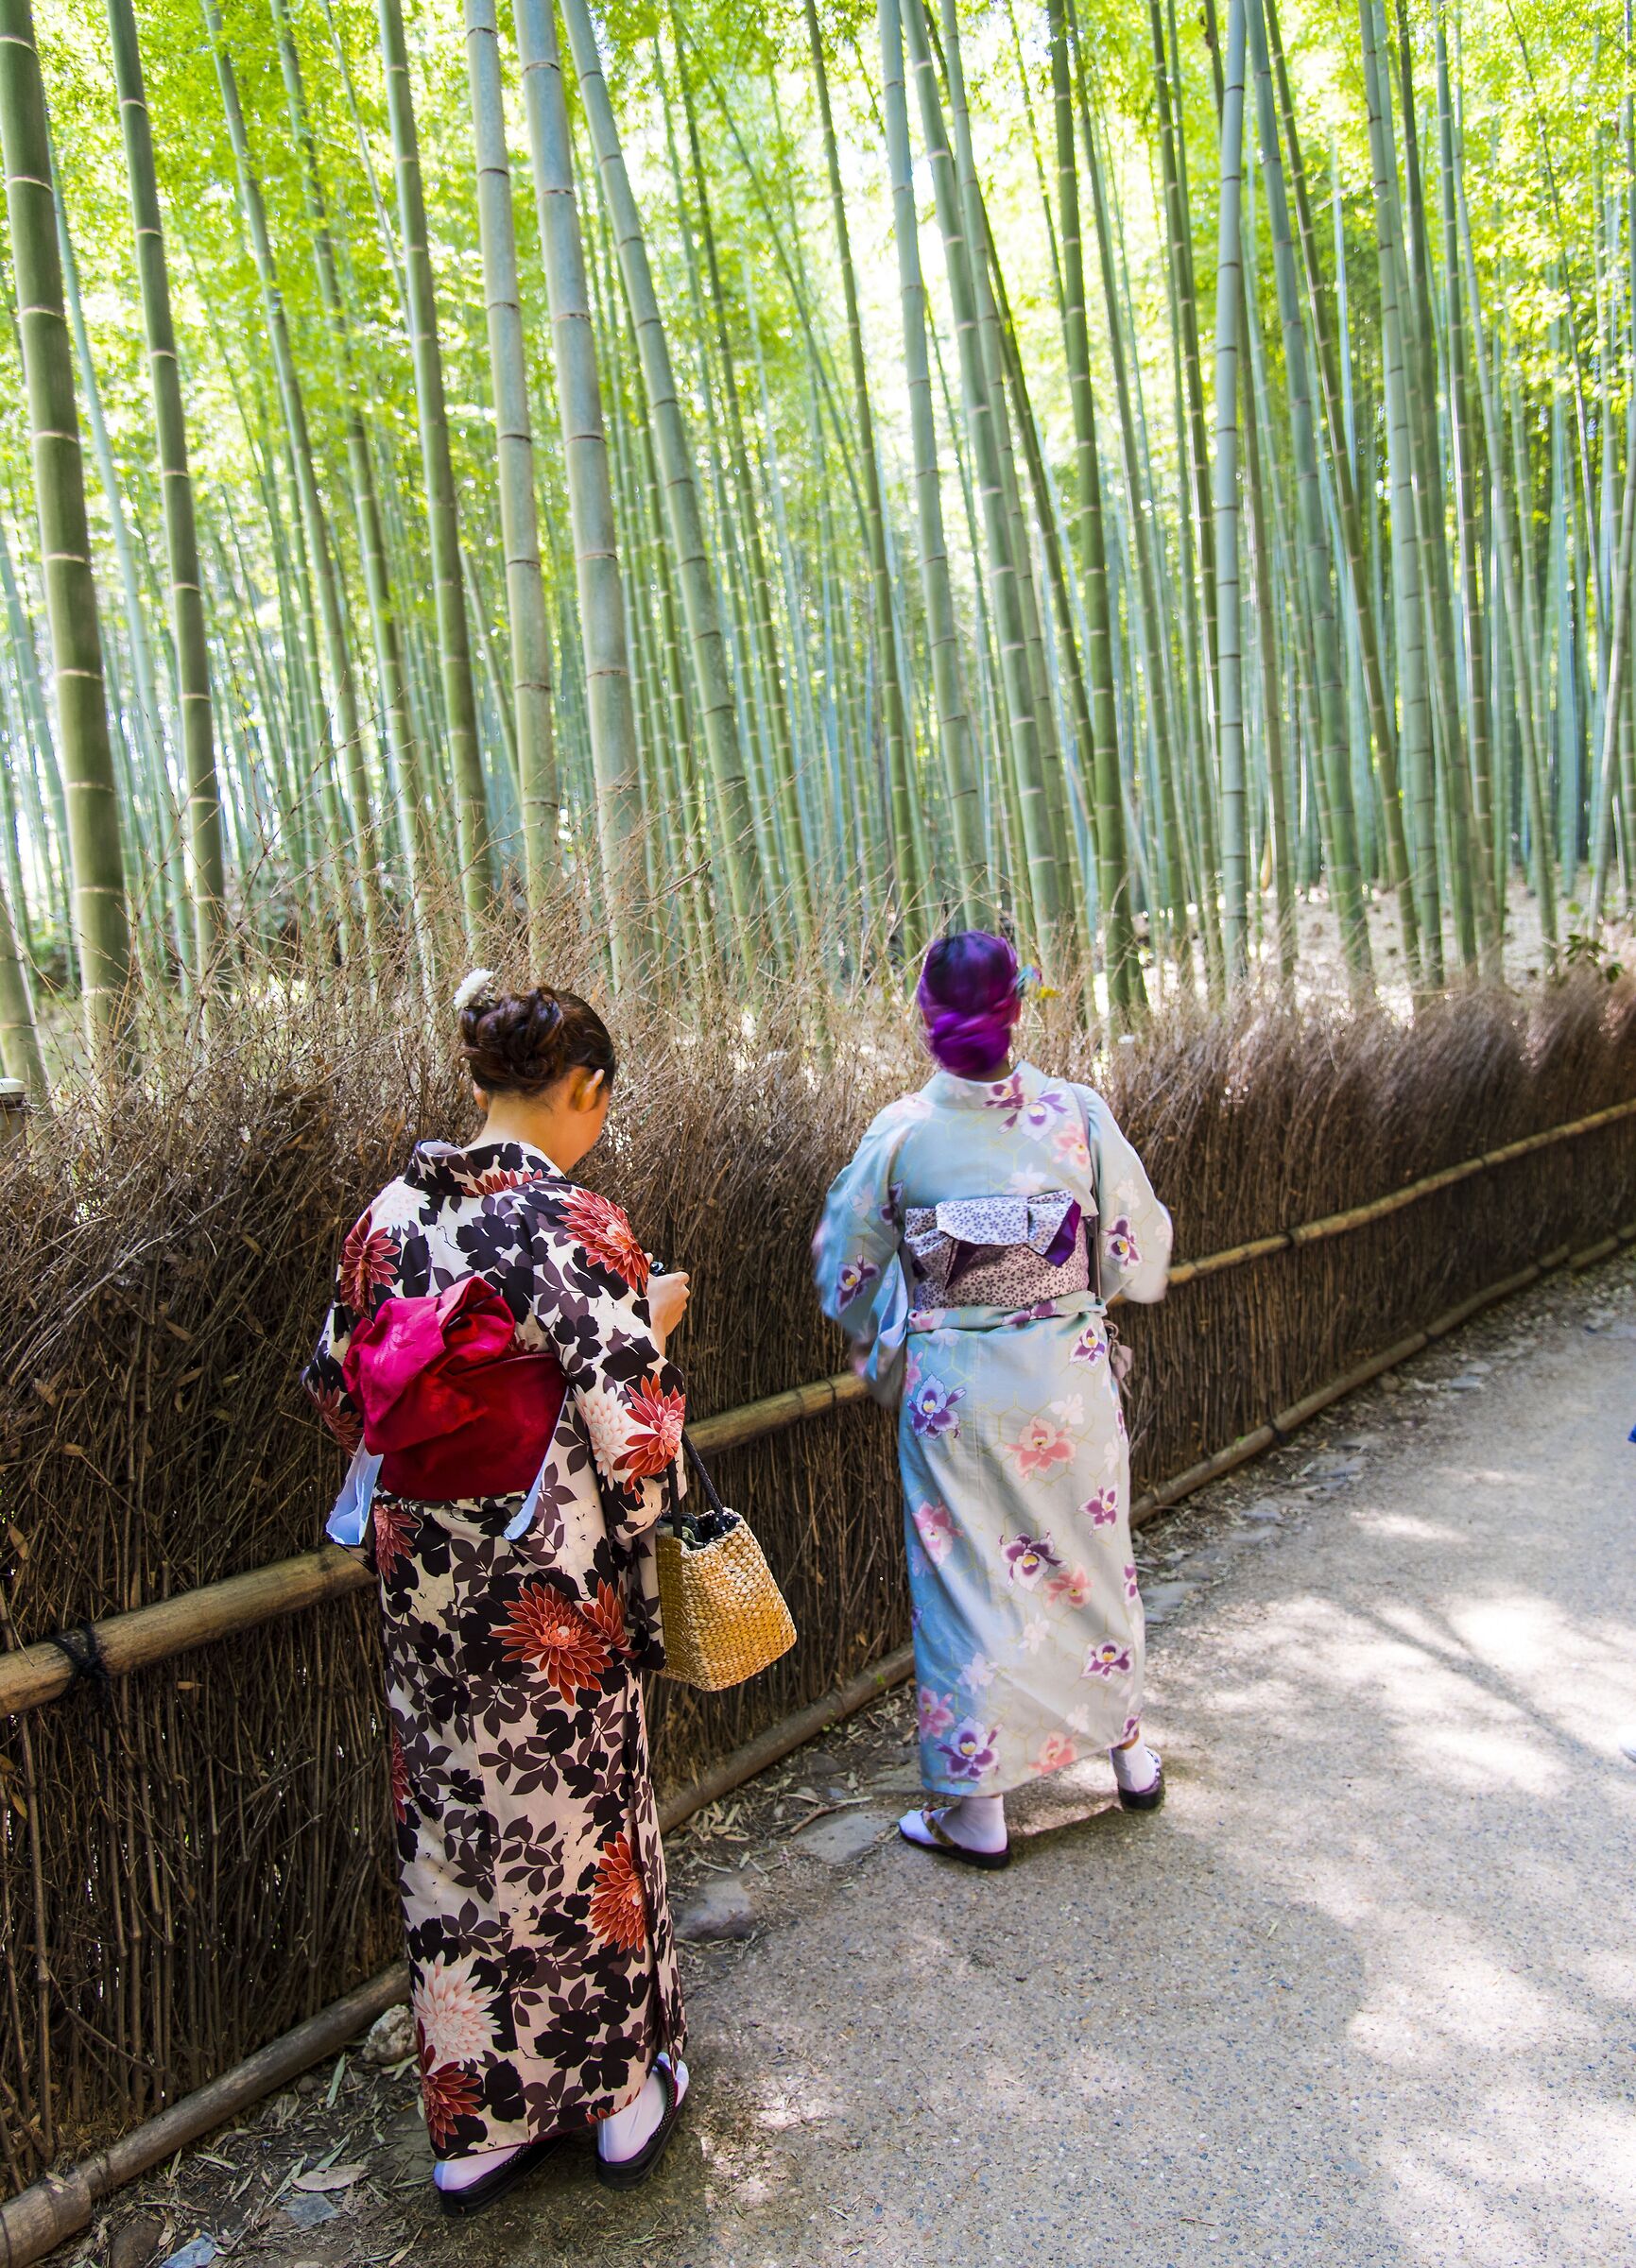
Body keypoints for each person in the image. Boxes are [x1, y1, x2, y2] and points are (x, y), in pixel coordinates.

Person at [303, 974, 691, 2215]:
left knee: (460, 1824)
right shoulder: (575, 1221)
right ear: (580, 1089)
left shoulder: (383, 1221)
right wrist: (660, 1327)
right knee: (579, 1814)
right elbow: (632, 1435)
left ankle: (477, 2118)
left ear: (481, 1082)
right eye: (600, 1105)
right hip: (550, 1576)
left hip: (424, 1578)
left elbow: (333, 1383)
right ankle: (618, 2091)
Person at [814, 931, 1172, 1867]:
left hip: (958, 1398)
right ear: (1017, 1010)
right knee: (1091, 1559)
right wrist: (1058, 1276)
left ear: (928, 1018)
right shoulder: (1077, 1116)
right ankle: (1128, 1754)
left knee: (968, 1586)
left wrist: (894, 1313)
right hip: (1067, 1379)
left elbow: (844, 1270)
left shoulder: (904, 1134)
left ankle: (980, 1811)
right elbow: (1133, 1251)